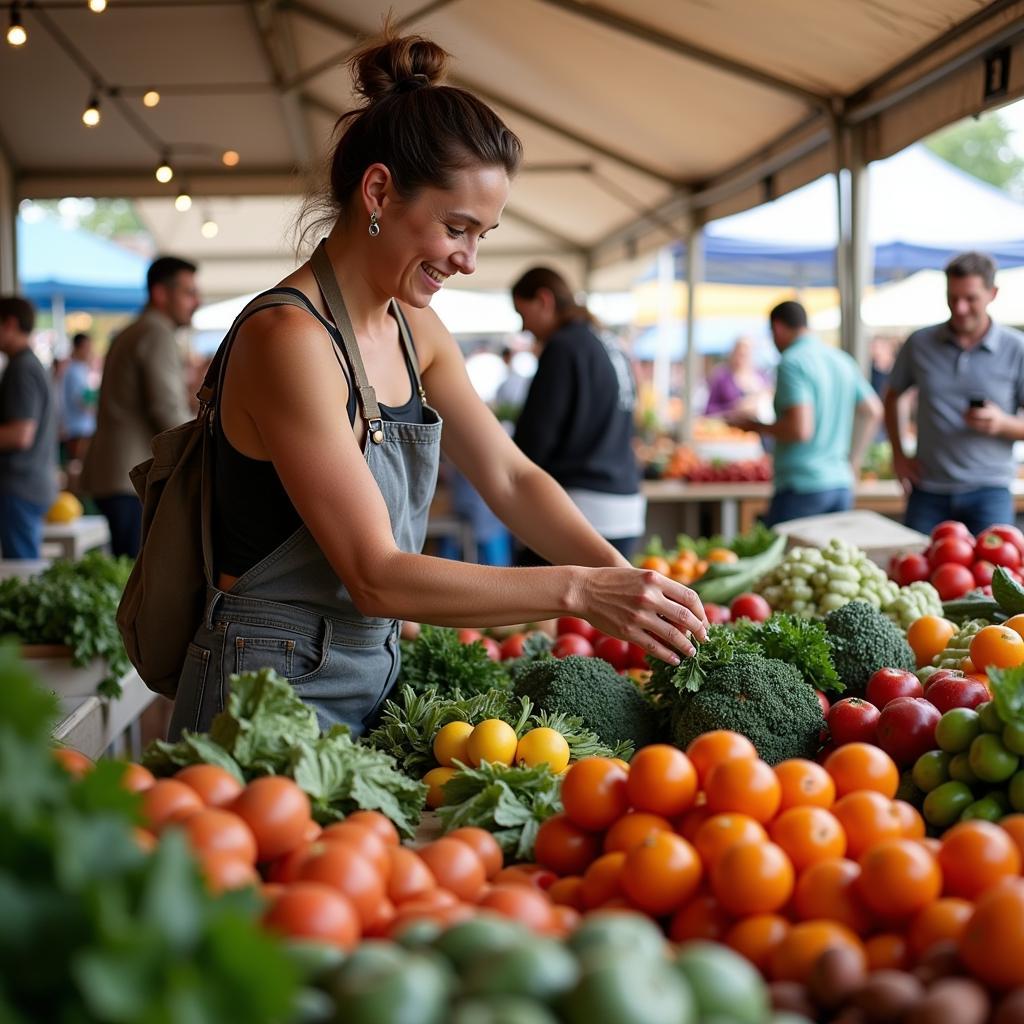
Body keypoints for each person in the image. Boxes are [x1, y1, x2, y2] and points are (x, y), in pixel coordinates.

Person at [166, 29, 706, 741]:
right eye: (458, 227)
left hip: (367, 673)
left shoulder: (416, 330)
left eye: (483, 233)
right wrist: (579, 590)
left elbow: (510, 478)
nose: (471, 260)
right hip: (264, 692)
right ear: (380, 190)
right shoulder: (289, 340)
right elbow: (375, 574)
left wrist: (625, 580)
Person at [510, 266, 646, 563]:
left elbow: (537, 436)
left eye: (523, 314)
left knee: (544, 609)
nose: (524, 328)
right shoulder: (609, 342)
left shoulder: (563, 347)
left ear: (544, 300)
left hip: (580, 509)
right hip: (626, 506)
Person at [885, 251, 1024, 536]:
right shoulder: (919, 343)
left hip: (990, 490)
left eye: (970, 298)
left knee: (996, 577)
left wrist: (1001, 423)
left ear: (992, 293)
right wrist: (898, 454)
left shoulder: (1016, 348)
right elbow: (892, 396)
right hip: (928, 490)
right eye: (953, 297)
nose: (960, 308)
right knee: (918, 575)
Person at [82, 256, 199, 557]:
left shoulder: (136, 329)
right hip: (130, 476)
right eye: (188, 292)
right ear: (160, 293)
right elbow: (167, 409)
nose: (195, 301)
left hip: (116, 472)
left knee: (128, 573)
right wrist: (204, 449)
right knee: (136, 582)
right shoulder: (155, 331)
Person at [730, 300, 882, 527]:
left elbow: (800, 429)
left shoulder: (792, 362)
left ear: (778, 328)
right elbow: (873, 411)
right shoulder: (841, 360)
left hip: (801, 486)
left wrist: (756, 426)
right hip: (840, 484)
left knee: (787, 560)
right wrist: (854, 461)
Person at [0, 296, 58, 559]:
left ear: (9, 324)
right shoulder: (30, 364)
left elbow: (20, 434)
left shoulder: (21, 368)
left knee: (23, 575)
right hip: (34, 481)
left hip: (20, 485)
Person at [704, 336, 769, 418]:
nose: (741, 358)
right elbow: (709, 410)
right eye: (739, 353)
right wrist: (735, 409)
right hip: (730, 428)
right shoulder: (722, 377)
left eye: (746, 354)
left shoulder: (762, 377)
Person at [61, 331, 97, 465]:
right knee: (78, 467)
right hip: (77, 429)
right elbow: (83, 402)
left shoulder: (81, 369)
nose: (89, 351)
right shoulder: (74, 371)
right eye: (86, 347)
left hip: (83, 427)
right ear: (78, 348)